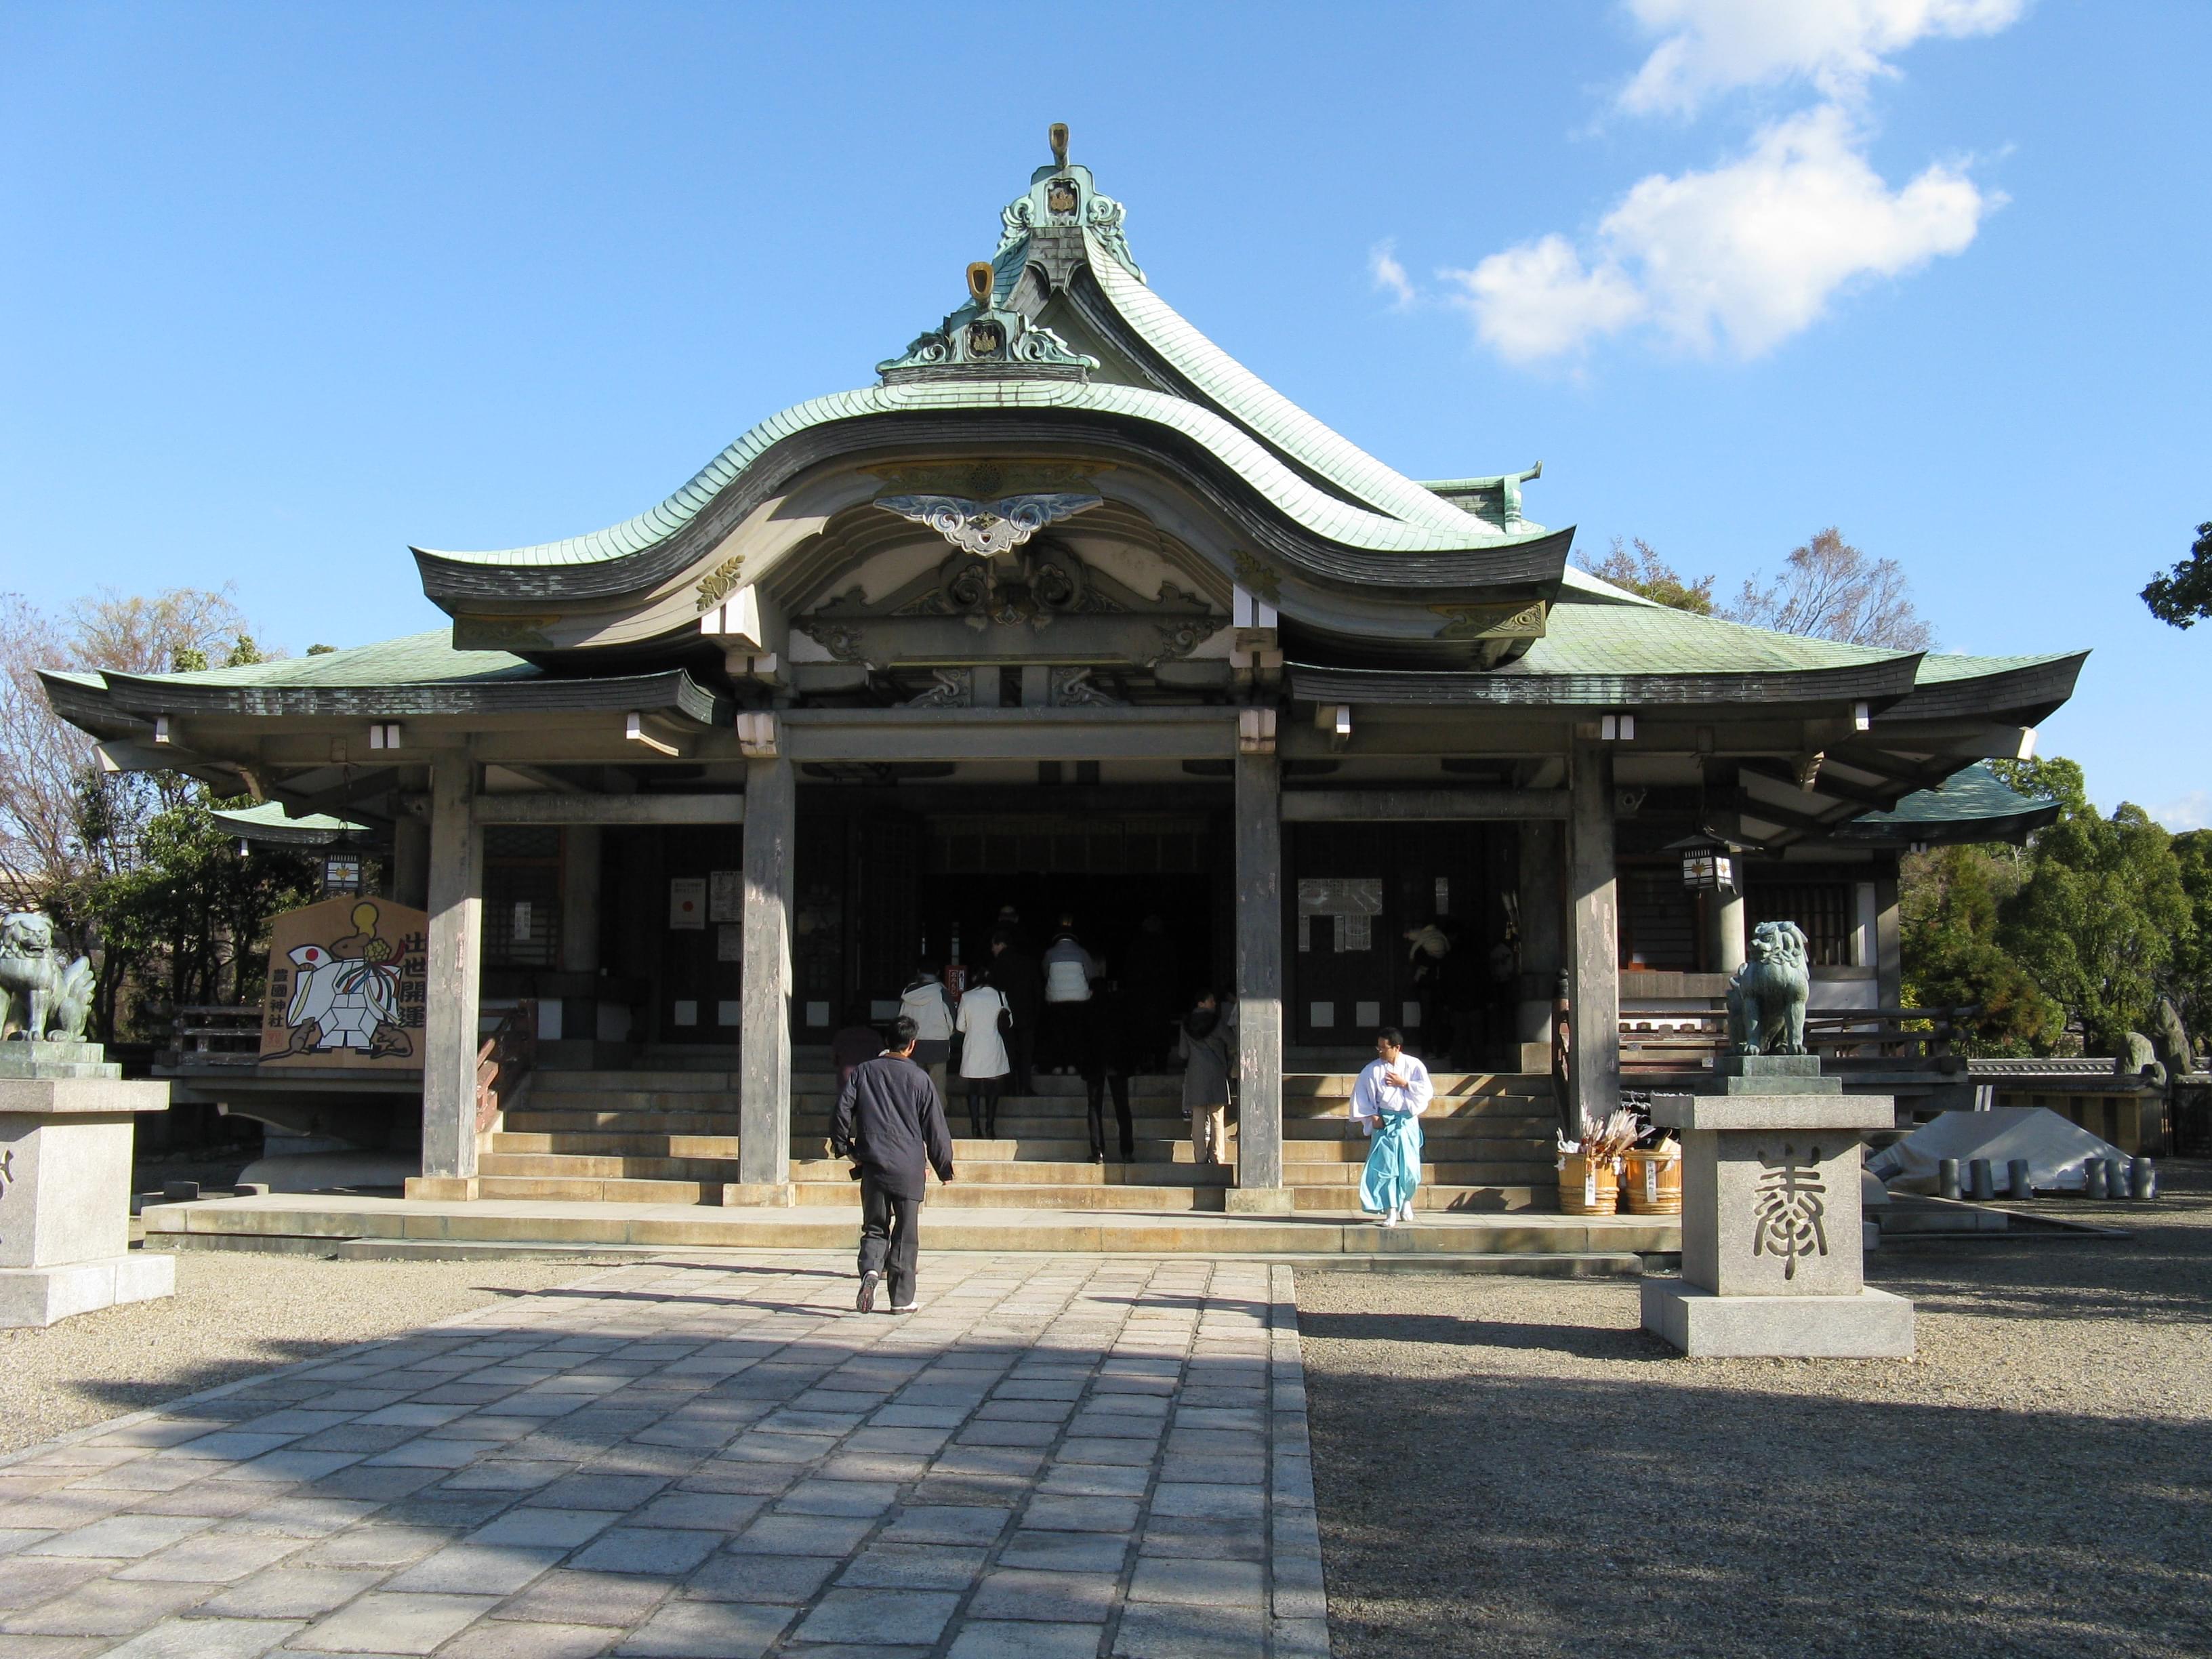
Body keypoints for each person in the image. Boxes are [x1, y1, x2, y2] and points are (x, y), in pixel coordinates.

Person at [832, 1015, 955, 1313]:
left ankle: (871, 1270)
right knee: (905, 1232)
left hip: (873, 1162)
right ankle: (901, 1299)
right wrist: (944, 1166)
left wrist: (843, 1147)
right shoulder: (920, 1079)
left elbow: (842, 1110)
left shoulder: (864, 1072)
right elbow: (935, 1127)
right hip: (909, 1166)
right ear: (912, 1045)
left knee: (874, 1227)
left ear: (886, 1042)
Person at [1351, 1027, 1433, 1227]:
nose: (1380, 1051)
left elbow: (1426, 1091)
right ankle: (1391, 1210)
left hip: (1407, 1121)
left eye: (1384, 1048)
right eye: (1378, 1048)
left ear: (1397, 1047)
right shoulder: (1372, 1070)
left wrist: (1405, 1083)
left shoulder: (1414, 1066)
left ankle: (1406, 1200)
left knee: (1410, 1169)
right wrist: (1372, 1116)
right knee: (1387, 1168)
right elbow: (1361, 1095)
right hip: (1385, 1122)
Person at [1082, 980, 1136, 1163]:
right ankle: (1127, 1151)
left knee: (1094, 1106)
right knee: (1122, 1106)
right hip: (1117, 1062)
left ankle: (1098, 1151)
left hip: (1094, 1062)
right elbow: (1128, 1035)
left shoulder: (1088, 1009)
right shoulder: (1119, 1007)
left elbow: (1082, 1039)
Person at [955, 966, 1013, 1139]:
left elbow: (960, 1026)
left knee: (973, 1089)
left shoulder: (967, 997)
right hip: (994, 1046)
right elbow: (1009, 1023)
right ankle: (990, 1126)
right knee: (992, 1089)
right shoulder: (1000, 996)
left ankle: (975, 1127)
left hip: (973, 1046)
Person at [1179, 989, 1234, 1166]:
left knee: (1198, 1117)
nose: (1214, 1004)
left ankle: (1200, 1157)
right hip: (1217, 1072)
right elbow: (1232, 1043)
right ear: (1201, 1003)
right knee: (1217, 1116)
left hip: (1196, 1073)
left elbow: (1183, 1053)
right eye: (1211, 1001)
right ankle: (1217, 1156)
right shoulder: (1217, 1023)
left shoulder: (1186, 1024)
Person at [1120, 913, 1180, 1073]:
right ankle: (1161, 1066)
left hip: (1141, 997)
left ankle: (1142, 1064)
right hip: (1161, 997)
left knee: (1141, 1033)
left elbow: (1129, 972)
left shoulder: (1136, 947)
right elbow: (1173, 972)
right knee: (1160, 1033)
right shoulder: (1167, 946)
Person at [1040, 914, 1099, 1076]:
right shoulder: (1082, 953)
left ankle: (1058, 1065)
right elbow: (1091, 974)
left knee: (1058, 1033)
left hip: (1056, 999)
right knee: (1075, 1033)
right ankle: (1073, 1064)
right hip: (1079, 999)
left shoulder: (1050, 954)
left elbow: (1045, 973)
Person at [988, 924, 1040, 1094]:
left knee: (1008, 1051)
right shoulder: (1027, 962)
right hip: (1027, 1014)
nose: (992, 949)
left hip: (1005, 1014)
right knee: (1026, 1052)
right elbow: (1036, 989)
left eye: (994, 945)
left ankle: (1009, 1087)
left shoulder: (997, 965)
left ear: (1001, 944)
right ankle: (1025, 1086)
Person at [897, 960, 956, 1102]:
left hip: (913, 1044)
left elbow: (901, 1019)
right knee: (937, 1087)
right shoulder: (942, 992)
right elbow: (951, 1020)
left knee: (915, 1087)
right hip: (938, 1044)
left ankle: (916, 1118)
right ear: (937, 973)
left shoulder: (907, 993)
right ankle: (936, 1119)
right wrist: (948, 1033)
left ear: (918, 972)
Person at [830, 1004, 883, 1097]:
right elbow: (882, 1056)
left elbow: (834, 1059)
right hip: (868, 1076)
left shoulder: (841, 1036)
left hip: (846, 1076)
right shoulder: (874, 1036)